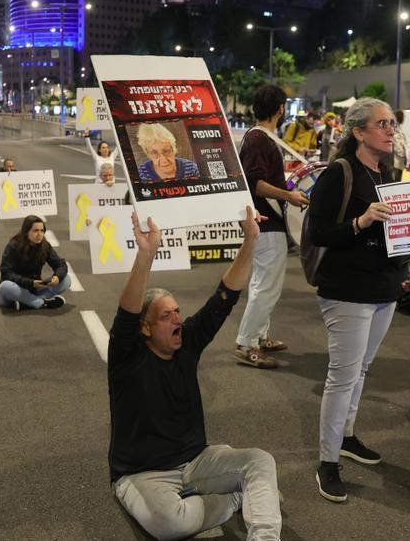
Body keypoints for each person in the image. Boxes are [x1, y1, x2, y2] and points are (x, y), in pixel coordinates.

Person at [108, 207, 282, 541]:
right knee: (172, 525)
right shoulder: (126, 358)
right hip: (142, 474)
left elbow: (225, 297)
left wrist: (251, 240)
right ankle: (237, 498)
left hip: (198, 461)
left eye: (177, 312)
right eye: (165, 316)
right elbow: (125, 315)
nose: (177, 320)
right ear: (144, 328)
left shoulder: (186, 341)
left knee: (260, 461)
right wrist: (145, 257)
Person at [306, 97, 410, 503]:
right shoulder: (339, 172)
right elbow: (318, 234)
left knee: (362, 369)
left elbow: (399, 230)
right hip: (347, 291)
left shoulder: (387, 172)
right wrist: (360, 221)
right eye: (382, 124)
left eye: (392, 124)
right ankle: (327, 462)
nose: (390, 130)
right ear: (359, 132)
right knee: (343, 375)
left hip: (384, 288)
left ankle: (346, 437)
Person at [233, 85, 308, 369]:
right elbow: (255, 183)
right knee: (267, 287)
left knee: (261, 284)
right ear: (280, 109)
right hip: (267, 221)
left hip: (265, 220)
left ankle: (259, 336)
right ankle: (246, 343)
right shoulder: (258, 139)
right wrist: (289, 195)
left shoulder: (259, 137)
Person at [0, 215, 70, 311]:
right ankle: (43, 303)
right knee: (6, 286)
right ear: (26, 231)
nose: (39, 234)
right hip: (16, 291)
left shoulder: (45, 246)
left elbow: (60, 264)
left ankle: (27, 303)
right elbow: (6, 272)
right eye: (35, 231)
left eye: (42, 231)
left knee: (66, 280)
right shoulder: (13, 246)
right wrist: (30, 283)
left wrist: (57, 276)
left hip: (35, 290)